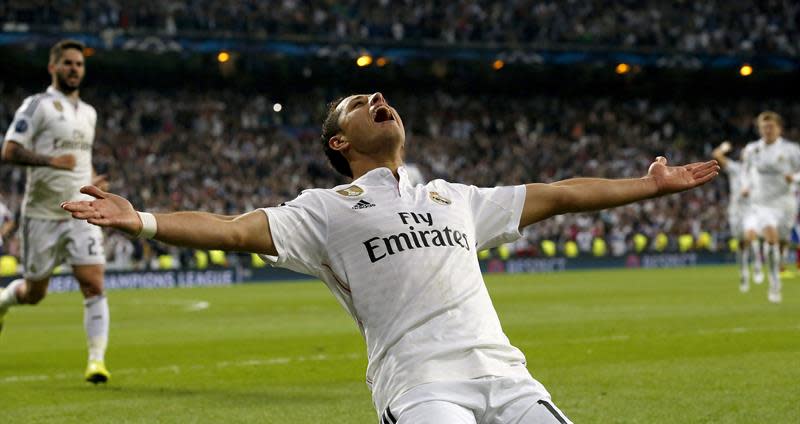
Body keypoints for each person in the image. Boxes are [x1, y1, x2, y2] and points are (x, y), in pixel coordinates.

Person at [62, 92, 719, 423]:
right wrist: (141, 218)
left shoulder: (451, 196)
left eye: (381, 95)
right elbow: (233, 231)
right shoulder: (326, 209)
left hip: (509, 377)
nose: (379, 97)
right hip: (422, 386)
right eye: (360, 102)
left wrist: (648, 185)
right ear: (339, 139)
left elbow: (562, 195)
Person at [0, 39, 112, 383]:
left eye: (79, 64)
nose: (74, 69)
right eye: (67, 63)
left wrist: (92, 182)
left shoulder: (89, 113)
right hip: (42, 215)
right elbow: (10, 150)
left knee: (93, 283)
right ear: (53, 67)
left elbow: (80, 161)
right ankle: (3, 301)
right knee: (35, 294)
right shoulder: (37, 106)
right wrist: (52, 162)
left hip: (81, 212)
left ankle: (96, 362)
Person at [741, 111, 800, 304]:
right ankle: (775, 283)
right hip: (762, 203)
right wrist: (745, 186)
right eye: (764, 127)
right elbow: (745, 171)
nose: (767, 130)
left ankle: (779, 262)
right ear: (759, 129)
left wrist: (795, 178)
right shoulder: (752, 150)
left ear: (779, 128)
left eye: (771, 126)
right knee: (771, 239)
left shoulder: (791, 150)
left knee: (782, 242)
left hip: (785, 203)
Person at [712, 141, 762, 292]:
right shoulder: (735, 168)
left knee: (751, 235)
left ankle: (758, 265)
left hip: (751, 210)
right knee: (741, 244)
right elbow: (716, 155)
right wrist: (723, 148)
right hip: (735, 211)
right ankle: (744, 273)